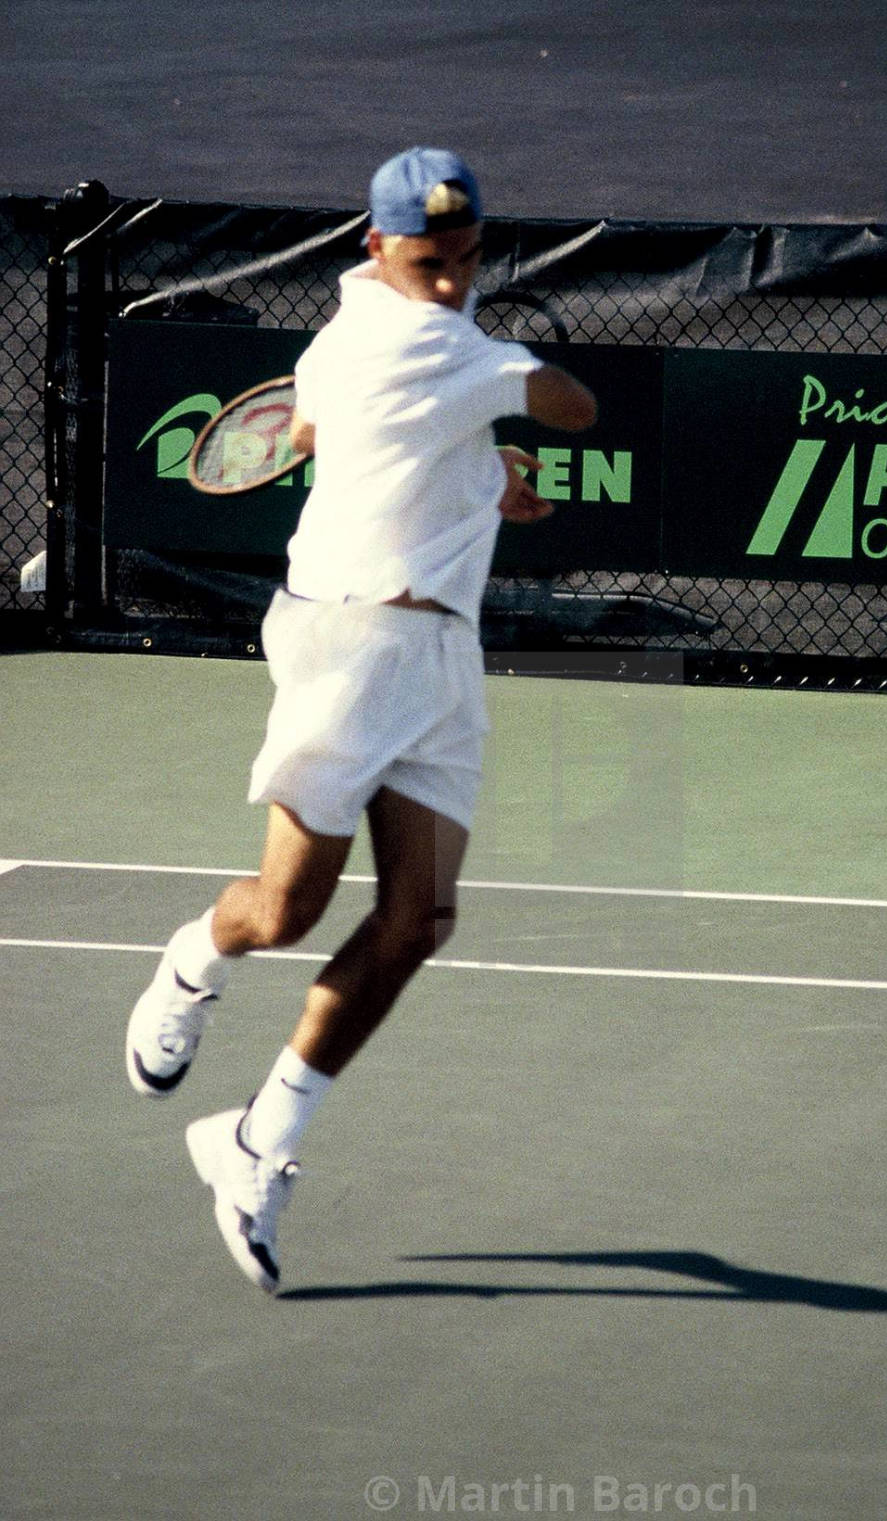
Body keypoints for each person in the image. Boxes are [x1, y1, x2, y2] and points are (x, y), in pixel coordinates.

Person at [125, 147, 597, 1293]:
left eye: (470, 261)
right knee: (285, 912)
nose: (452, 282)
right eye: (430, 263)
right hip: (349, 649)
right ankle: (193, 961)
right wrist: (506, 400)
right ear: (374, 248)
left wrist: (487, 482)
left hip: (438, 656)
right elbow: (575, 408)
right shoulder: (442, 342)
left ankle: (254, 1142)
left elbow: (318, 442)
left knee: (420, 918)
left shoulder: (340, 342)